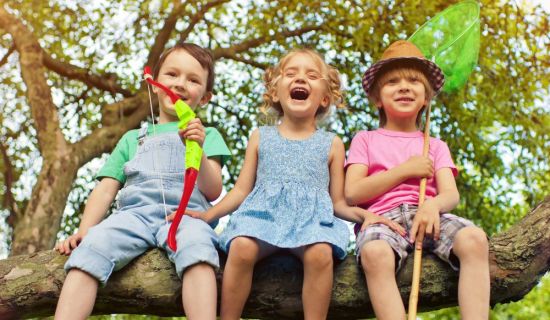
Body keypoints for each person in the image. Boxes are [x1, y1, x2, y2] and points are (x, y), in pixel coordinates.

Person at [182, 48, 402, 320]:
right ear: (275, 93)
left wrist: (366, 215)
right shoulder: (260, 136)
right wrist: (208, 215)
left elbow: (338, 203)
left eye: (311, 75)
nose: (301, 79)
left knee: (320, 253)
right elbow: (241, 190)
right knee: (241, 247)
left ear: (324, 97)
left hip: (310, 222)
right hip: (261, 217)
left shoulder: (331, 143)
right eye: (291, 74)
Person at [54, 42, 231, 320]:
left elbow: (213, 190)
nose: (181, 84)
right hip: (132, 217)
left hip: (184, 217)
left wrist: (198, 148)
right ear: (155, 84)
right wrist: (84, 230)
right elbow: (105, 189)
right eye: (172, 75)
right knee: (92, 249)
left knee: (198, 249)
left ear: (205, 98)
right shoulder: (131, 138)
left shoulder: (207, 135)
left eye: (193, 80)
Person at [345, 40, 490, 320]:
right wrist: (404, 170)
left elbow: (451, 194)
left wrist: (432, 206)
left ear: (426, 98)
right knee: (375, 254)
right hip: (383, 219)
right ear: (377, 98)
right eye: (392, 82)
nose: (404, 86)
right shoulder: (365, 139)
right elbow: (352, 193)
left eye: (414, 80)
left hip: (429, 216)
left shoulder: (434, 145)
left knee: (474, 239)